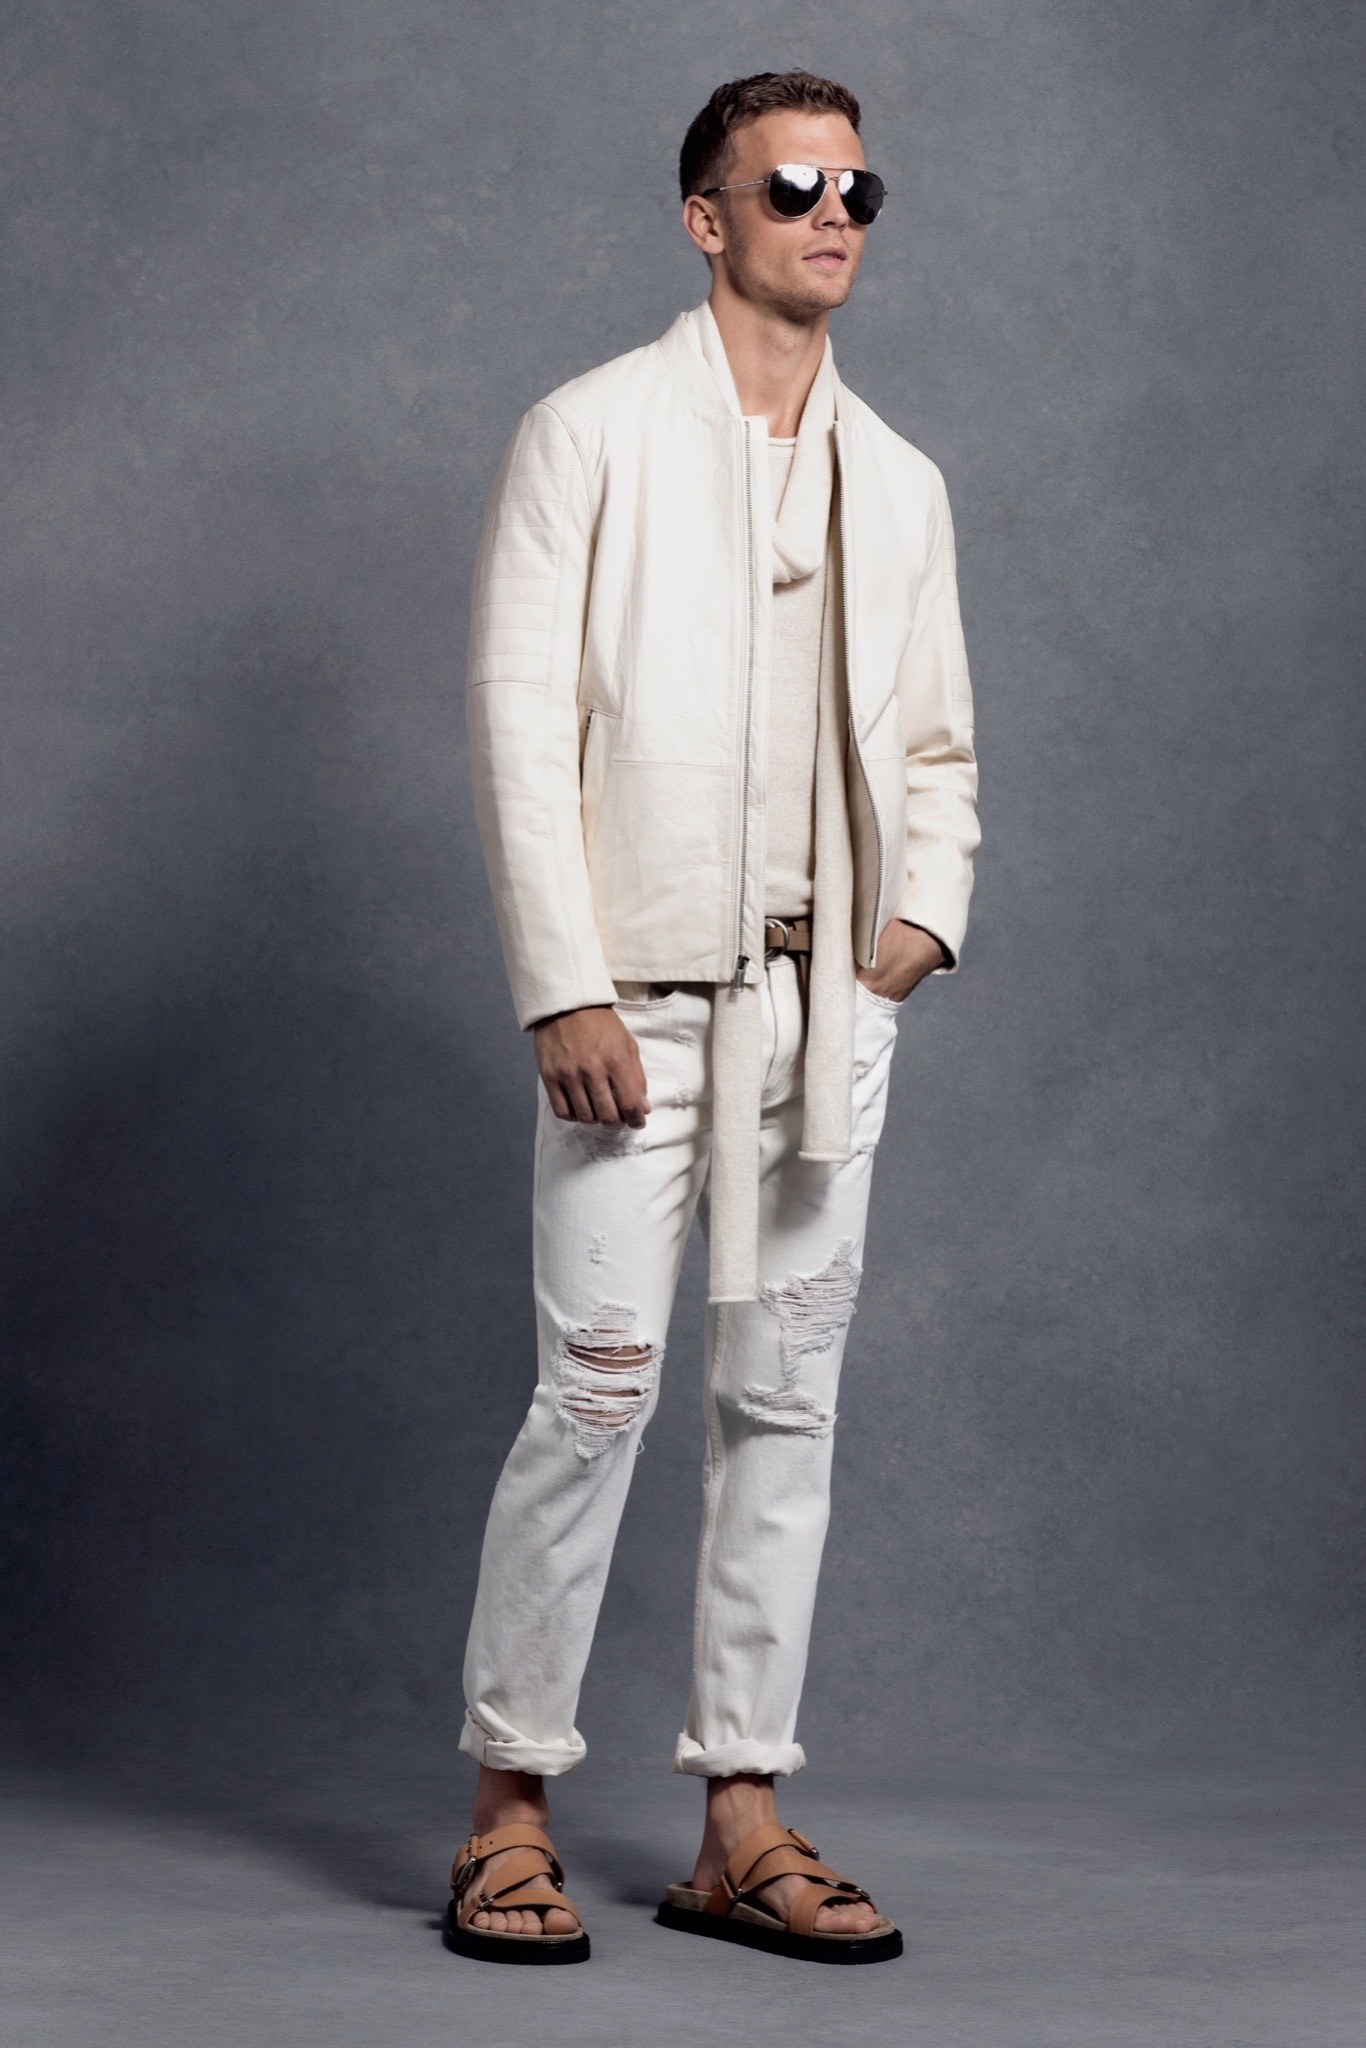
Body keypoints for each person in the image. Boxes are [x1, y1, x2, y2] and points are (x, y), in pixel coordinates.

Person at [446, 68, 980, 1966]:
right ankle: (506, 1808)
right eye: (791, 187)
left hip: (824, 1020)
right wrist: (561, 982)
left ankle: (738, 1814)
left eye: (858, 191)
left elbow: (939, 746)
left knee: (785, 1406)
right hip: (634, 1015)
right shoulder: (586, 433)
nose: (832, 216)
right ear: (706, 218)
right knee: (594, 1394)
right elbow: (519, 728)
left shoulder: (896, 479)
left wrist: (916, 925)